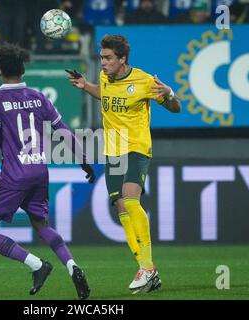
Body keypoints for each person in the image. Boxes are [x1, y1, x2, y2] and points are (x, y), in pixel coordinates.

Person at [0, 43, 95, 300]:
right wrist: (83, 159)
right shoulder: (39, 97)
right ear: (24, 69)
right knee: (42, 225)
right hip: (40, 171)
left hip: (14, 175)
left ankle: (37, 265)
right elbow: (63, 131)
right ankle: (72, 267)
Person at [67, 34, 181, 294]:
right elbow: (105, 95)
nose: (103, 63)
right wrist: (86, 85)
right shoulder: (107, 78)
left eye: (108, 58)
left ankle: (148, 268)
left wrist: (170, 94)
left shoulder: (143, 80)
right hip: (113, 152)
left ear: (122, 59)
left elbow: (176, 108)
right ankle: (147, 268)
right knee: (121, 208)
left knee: (131, 200)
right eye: (102, 57)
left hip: (137, 148)